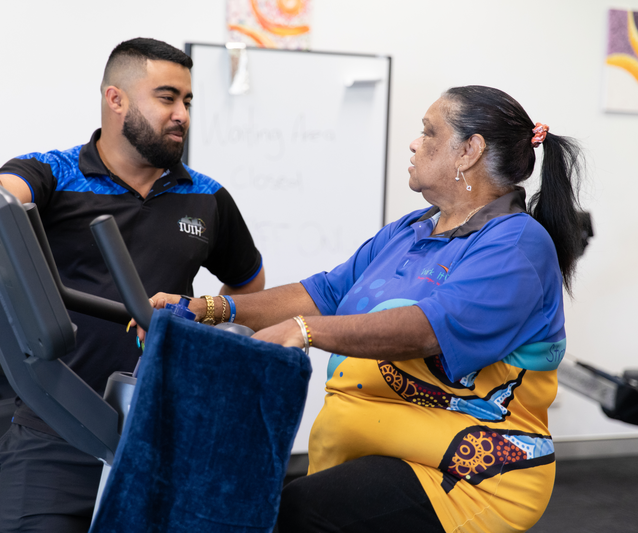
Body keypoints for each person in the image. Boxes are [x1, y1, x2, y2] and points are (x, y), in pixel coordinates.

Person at [148, 85, 584, 532]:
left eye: (428, 132)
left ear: (468, 151)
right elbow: (324, 293)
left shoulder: (516, 243)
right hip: (382, 454)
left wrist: (305, 330)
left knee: (302, 512)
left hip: (467, 476)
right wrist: (207, 307)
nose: (415, 143)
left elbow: (426, 329)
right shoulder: (409, 230)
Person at [0, 37, 265, 533]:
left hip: (160, 433)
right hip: (53, 432)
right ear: (116, 99)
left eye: (188, 101)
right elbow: (4, 190)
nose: (182, 115)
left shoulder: (207, 198)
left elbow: (250, 291)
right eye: (167, 97)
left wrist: (200, 329)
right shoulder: (56, 174)